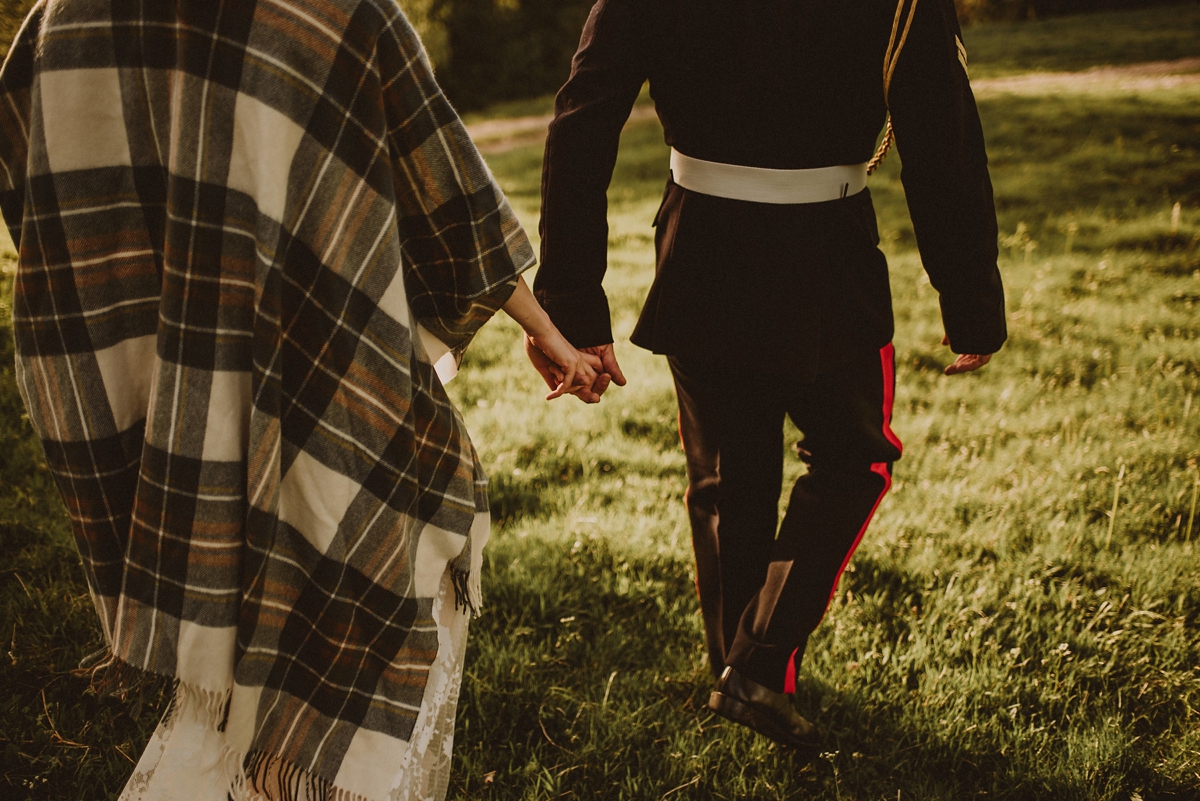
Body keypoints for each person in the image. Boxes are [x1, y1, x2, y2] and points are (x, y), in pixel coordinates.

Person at [0, 1, 597, 799]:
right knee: (375, 577)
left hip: (167, 390)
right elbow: (445, 200)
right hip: (325, 370)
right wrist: (545, 329)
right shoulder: (329, 11)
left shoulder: (63, 15)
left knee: (238, 635)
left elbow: (26, 170)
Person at [534, 0, 1006, 747]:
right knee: (855, 459)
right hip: (825, 255)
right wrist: (971, 296)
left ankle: (745, 671)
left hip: (706, 249)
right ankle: (754, 672)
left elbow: (582, 119)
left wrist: (571, 300)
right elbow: (939, 137)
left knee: (732, 480)